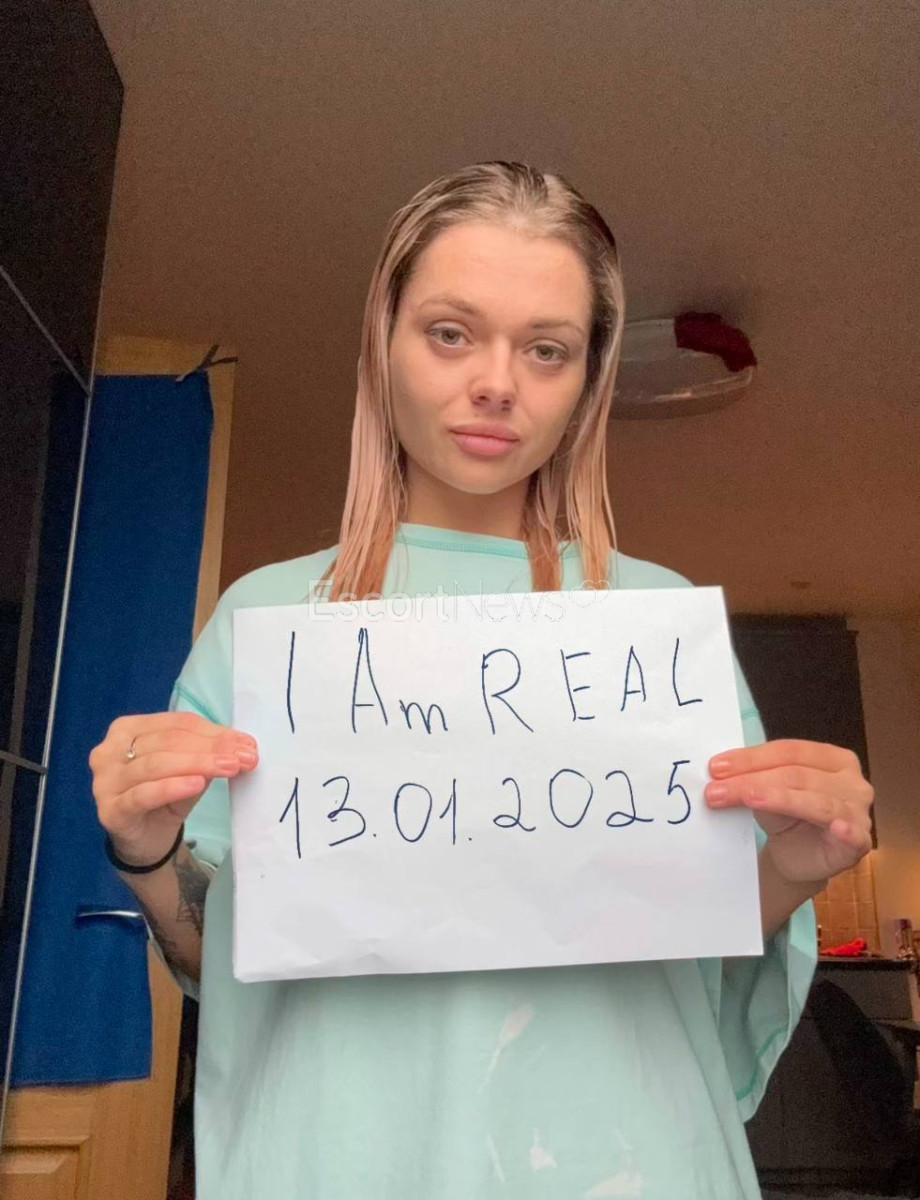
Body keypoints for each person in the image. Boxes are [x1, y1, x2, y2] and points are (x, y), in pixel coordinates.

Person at [90, 161, 874, 1199]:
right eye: (451, 333)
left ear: (586, 378)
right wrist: (146, 850)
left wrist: (799, 865)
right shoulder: (269, 621)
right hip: (341, 1162)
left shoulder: (654, 623)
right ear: (384, 345)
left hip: (626, 1163)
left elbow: (703, 929)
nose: (498, 382)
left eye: (545, 349)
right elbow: (217, 951)